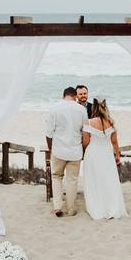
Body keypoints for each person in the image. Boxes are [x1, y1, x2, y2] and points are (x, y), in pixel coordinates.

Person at [81, 98, 128, 220]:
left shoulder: (88, 122)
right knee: (108, 179)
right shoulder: (111, 122)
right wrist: (117, 156)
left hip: (93, 153)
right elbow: (115, 142)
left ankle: (97, 206)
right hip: (106, 154)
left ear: (94, 108)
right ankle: (111, 206)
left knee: (94, 180)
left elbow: (85, 142)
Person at [45, 86, 86, 217]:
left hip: (59, 150)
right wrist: (84, 149)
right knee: (72, 180)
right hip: (75, 151)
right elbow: (84, 131)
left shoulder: (54, 108)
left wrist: (51, 148)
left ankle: (57, 207)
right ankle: (71, 208)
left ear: (63, 95)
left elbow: (48, 133)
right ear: (75, 96)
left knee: (56, 177)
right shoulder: (81, 109)